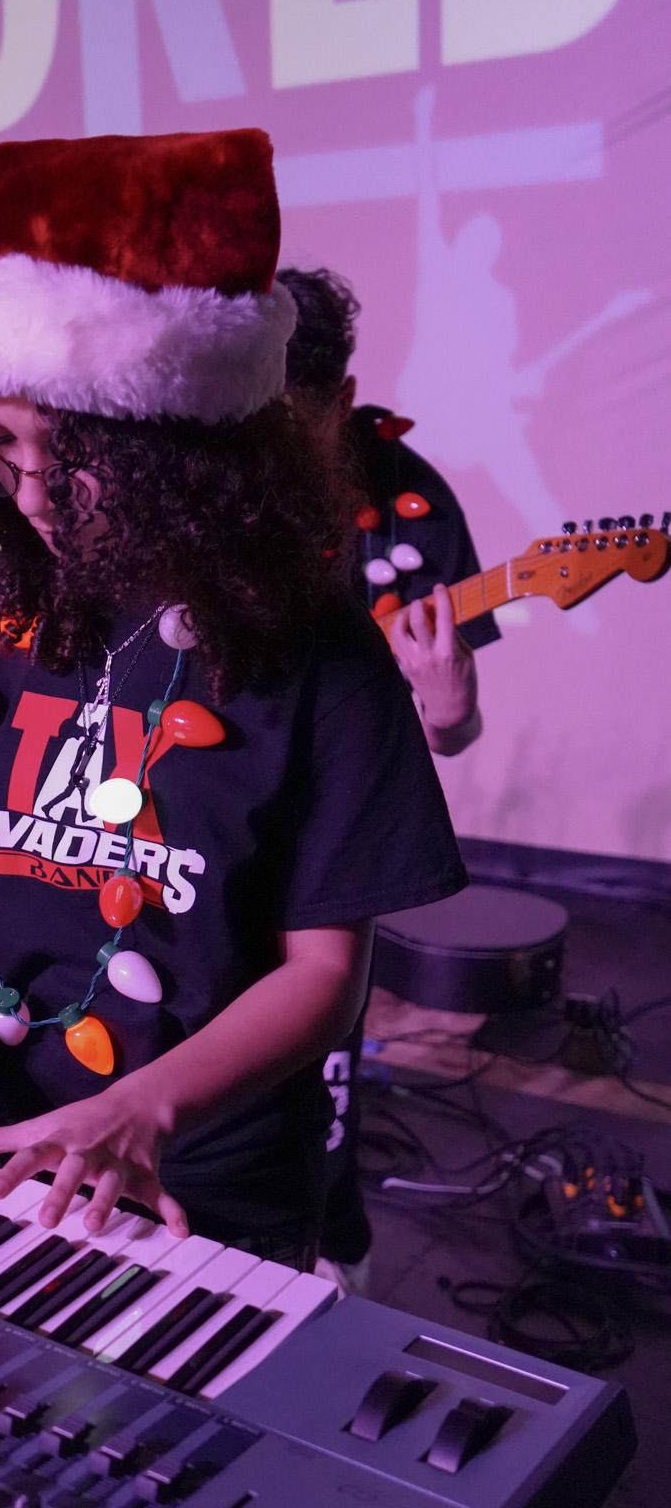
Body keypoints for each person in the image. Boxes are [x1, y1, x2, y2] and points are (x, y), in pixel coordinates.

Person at [0, 132, 466, 1267]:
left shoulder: (318, 648)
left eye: (74, 455)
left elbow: (325, 972)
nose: (30, 495)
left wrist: (143, 1109)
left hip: (196, 1184)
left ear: (184, 449)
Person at [277, 264, 500, 1274]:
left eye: (291, 416)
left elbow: (448, 731)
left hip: (331, 834)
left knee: (320, 1063)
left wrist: (448, 709)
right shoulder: (196, 485)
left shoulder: (409, 502)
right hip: (195, 811)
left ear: (340, 401)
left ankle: (333, 1258)